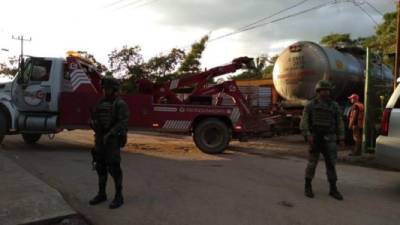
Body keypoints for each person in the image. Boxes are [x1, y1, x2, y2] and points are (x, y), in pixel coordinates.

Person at [300, 80, 345, 200]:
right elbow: (304, 121)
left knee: (331, 164)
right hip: (315, 137)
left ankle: (333, 188)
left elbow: (339, 121)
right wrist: (308, 134)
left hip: (330, 138)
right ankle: (307, 186)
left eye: (327, 90)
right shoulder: (311, 105)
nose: (326, 92)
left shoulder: (333, 105)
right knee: (312, 163)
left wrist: (341, 137)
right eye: (323, 90)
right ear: (318, 92)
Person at [90, 77, 129, 209]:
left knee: (114, 168)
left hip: (112, 140)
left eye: (107, 89)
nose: (105, 91)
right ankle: (102, 194)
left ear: (114, 90)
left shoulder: (120, 104)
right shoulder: (100, 102)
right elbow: (95, 116)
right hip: (100, 138)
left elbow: (123, 122)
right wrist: (93, 123)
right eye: (104, 89)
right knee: (100, 166)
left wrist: (111, 133)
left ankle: (119, 196)